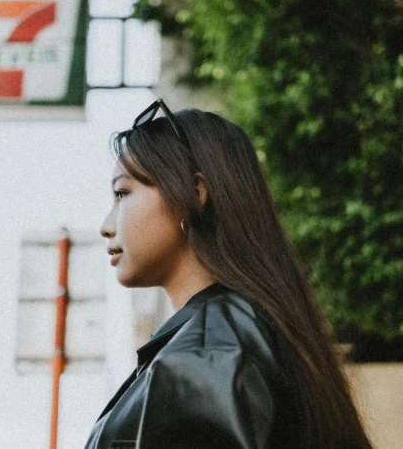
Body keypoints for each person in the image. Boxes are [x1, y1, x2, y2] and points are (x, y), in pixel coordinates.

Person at [85, 99, 372, 449]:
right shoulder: (238, 334)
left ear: (194, 192)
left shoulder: (210, 347)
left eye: (122, 193)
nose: (106, 226)